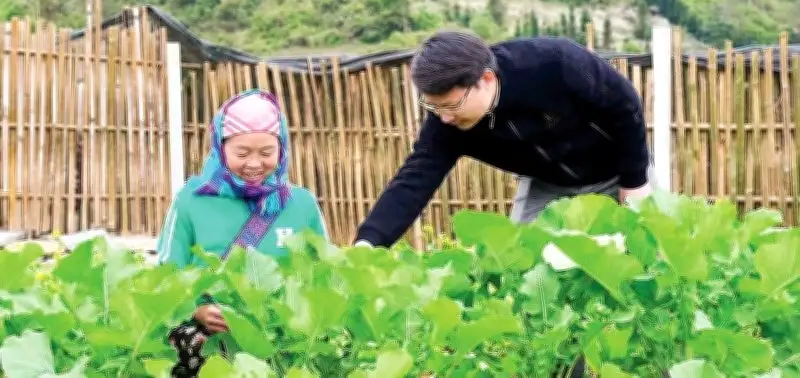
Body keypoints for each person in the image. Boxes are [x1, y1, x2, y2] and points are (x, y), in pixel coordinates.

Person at [353, 30, 653, 249]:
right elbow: (414, 179)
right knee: (523, 264)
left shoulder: (554, 64)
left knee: (647, 251)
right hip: (550, 186)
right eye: (434, 107)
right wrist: (368, 243)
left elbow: (624, 105)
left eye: (451, 105)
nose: (444, 117)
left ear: (485, 80)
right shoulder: (448, 124)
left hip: (619, 170)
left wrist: (635, 181)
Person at [155, 89, 329, 378]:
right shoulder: (192, 199)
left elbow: (324, 272)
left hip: (282, 340)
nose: (254, 164)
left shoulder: (301, 204)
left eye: (266, 153)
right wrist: (196, 311)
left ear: (282, 148)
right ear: (220, 148)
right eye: (242, 153)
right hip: (209, 344)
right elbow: (166, 270)